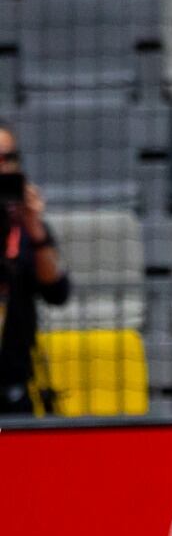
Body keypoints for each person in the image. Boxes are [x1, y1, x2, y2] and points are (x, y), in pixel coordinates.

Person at [0, 123, 70, 415]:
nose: (1, 167)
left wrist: (35, 227)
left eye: (8, 157)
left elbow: (57, 291)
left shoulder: (28, 228)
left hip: (13, 380)